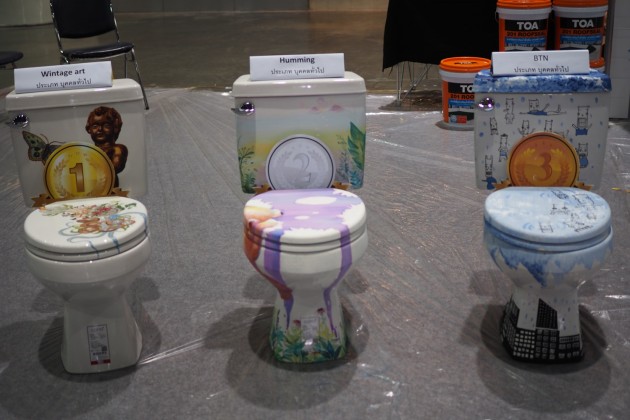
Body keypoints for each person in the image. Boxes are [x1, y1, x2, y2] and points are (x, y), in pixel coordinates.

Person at [85, 106, 128, 186]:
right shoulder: (87, 151)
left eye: (106, 125)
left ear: (115, 128)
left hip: (110, 190)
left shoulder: (117, 149)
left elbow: (116, 167)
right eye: (95, 126)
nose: (100, 129)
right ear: (88, 129)